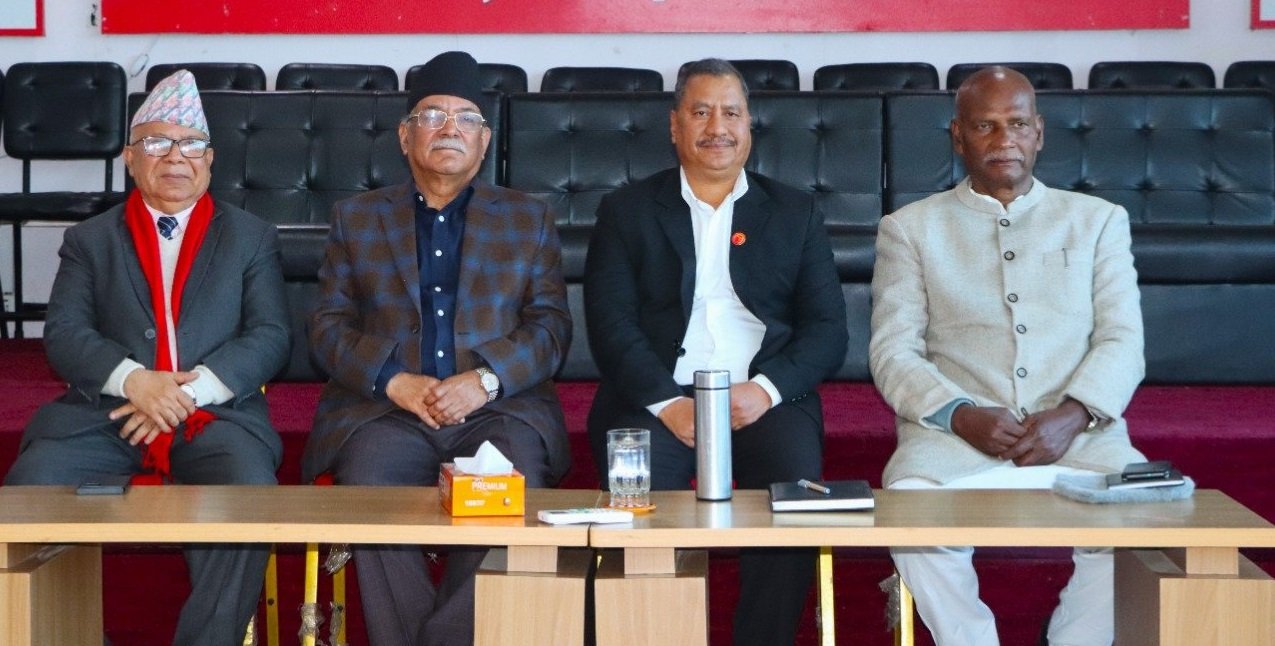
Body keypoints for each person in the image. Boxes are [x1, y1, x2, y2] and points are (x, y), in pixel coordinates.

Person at [3, 70, 290, 644]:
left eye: (190, 144)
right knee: (28, 493)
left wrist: (183, 394)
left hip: (215, 415)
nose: (175, 157)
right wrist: (135, 381)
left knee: (249, 496)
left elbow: (271, 335)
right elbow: (64, 333)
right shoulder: (90, 239)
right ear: (131, 159)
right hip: (106, 413)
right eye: (157, 143)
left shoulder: (250, 236)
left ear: (210, 160)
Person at [869, 66, 1146, 646]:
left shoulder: (1097, 221)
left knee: (1139, 526)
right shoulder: (910, 228)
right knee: (909, 517)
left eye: (1018, 124)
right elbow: (893, 351)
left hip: (1082, 438)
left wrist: (1074, 415)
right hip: (952, 441)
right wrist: (960, 414)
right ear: (958, 136)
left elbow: (1123, 340)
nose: (1004, 140)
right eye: (985, 126)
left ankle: (1073, 639)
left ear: (1039, 132)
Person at [302, 51, 571, 646]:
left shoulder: (527, 218)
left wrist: (485, 381)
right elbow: (327, 327)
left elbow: (551, 328)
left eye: (466, 118)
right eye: (432, 115)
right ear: (405, 136)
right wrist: (394, 381)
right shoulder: (357, 217)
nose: (450, 128)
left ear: (484, 141)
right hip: (387, 412)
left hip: (498, 410)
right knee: (367, 486)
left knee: (512, 490)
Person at [584, 58, 848, 645]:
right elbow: (610, 325)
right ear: (674, 125)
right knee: (639, 516)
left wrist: (766, 391)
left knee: (793, 506)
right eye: (700, 112)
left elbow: (828, 330)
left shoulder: (795, 211)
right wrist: (667, 404)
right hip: (657, 398)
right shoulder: (626, 210)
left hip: (764, 397)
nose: (717, 127)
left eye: (731, 113)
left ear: (750, 125)